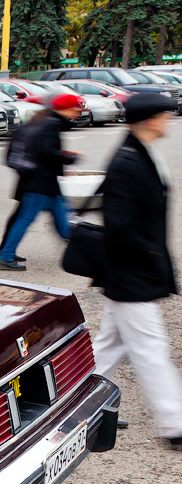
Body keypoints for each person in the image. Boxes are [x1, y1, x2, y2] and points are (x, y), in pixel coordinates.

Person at [92, 93, 182, 446]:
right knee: (151, 348)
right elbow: (118, 225)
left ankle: (74, 403)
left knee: (108, 347)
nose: (169, 120)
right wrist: (150, 256)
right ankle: (175, 422)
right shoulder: (128, 162)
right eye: (164, 115)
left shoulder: (141, 153)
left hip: (131, 273)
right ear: (148, 120)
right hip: (131, 275)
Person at [0, 93, 85, 271]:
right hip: (40, 183)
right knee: (26, 219)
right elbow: (45, 151)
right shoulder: (51, 124)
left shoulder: (46, 121)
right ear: (65, 108)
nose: (79, 111)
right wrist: (68, 157)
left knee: (62, 219)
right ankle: (6, 256)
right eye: (76, 108)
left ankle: (82, 253)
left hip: (41, 181)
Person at [0, 108, 53, 264]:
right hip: (32, 179)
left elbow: (10, 157)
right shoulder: (32, 131)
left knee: (19, 215)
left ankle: (6, 251)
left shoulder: (26, 129)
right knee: (21, 217)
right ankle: (5, 253)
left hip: (26, 178)